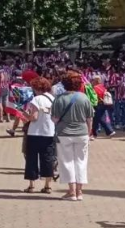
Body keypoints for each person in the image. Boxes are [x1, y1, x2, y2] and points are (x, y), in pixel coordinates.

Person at [52, 71, 94, 201]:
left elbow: (54, 119)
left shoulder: (59, 99)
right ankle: (80, 191)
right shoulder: (84, 98)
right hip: (82, 132)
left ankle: (71, 191)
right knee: (81, 161)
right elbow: (89, 118)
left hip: (64, 133)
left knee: (67, 162)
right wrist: (89, 132)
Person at [21, 76, 56, 194]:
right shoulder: (52, 98)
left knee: (31, 158)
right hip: (49, 132)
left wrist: (25, 114)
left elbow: (34, 117)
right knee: (47, 158)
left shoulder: (36, 99)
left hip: (35, 132)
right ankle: (48, 185)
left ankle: (31, 185)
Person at [90, 75, 115, 140]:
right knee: (102, 118)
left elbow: (94, 97)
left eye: (92, 80)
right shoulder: (102, 87)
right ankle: (110, 131)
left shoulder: (94, 88)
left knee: (95, 119)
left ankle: (93, 134)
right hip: (104, 104)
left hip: (98, 105)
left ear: (95, 81)